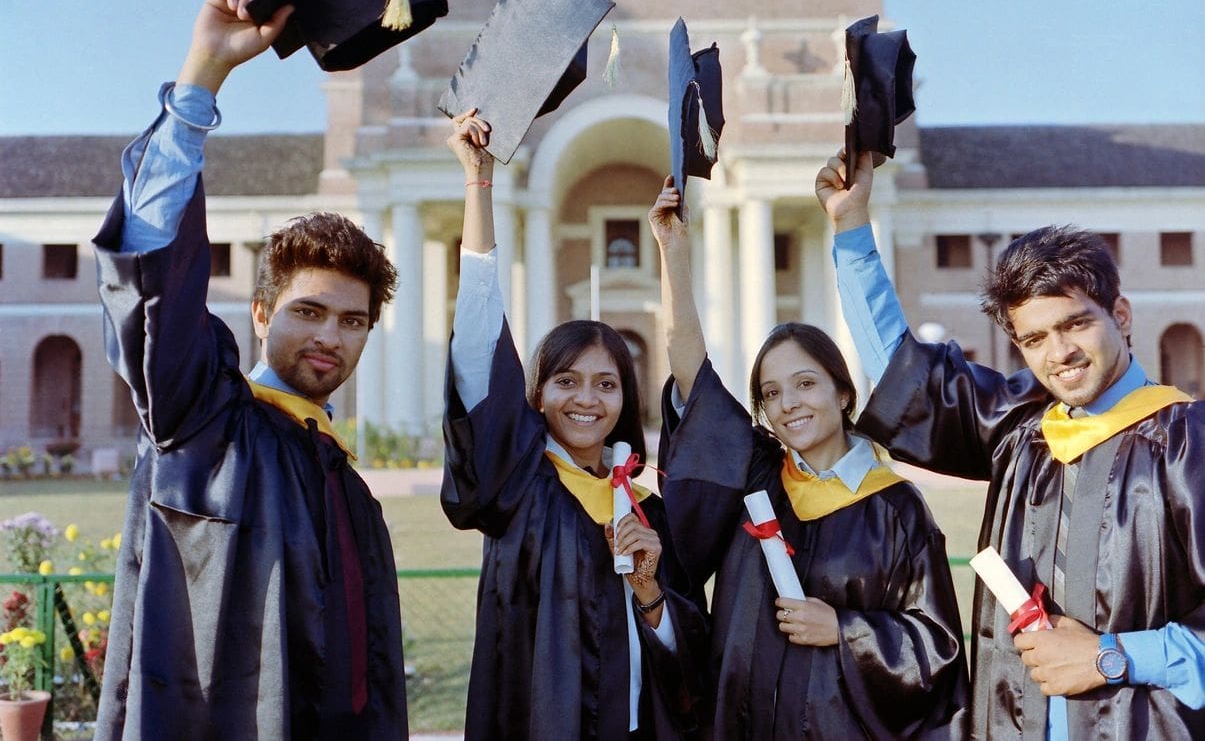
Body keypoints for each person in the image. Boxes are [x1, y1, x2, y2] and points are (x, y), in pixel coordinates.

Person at [92, 0, 408, 739]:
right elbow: (154, 284)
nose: (330, 336)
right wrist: (204, 75)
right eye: (308, 311)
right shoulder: (201, 421)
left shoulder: (349, 487)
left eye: (352, 320)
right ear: (262, 313)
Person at [818, 150, 1205, 738]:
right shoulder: (1020, 432)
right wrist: (850, 229)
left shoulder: (1186, 441)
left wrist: (1113, 655)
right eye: (1035, 338)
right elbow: (902, 374)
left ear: (1120, 315)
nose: (1060, 352)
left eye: (1077, 323)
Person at [649, 178, 969, 739]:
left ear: (843, 392)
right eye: (771, 394)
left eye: (804, 383)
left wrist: (845, 630)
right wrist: (674, 255)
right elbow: (692, 377)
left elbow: (936, 646)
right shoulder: (756, 483)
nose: (788, 404)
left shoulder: (895, 509)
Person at [441, 113, 708, 740]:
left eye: (606, 384)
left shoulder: (646, 514)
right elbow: (479, 352)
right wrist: (478, 187)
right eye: (565, 381)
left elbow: (688, 661)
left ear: (627, 397)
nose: (586, 400)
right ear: (535, 396)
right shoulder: (518, 490)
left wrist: (650, 595)